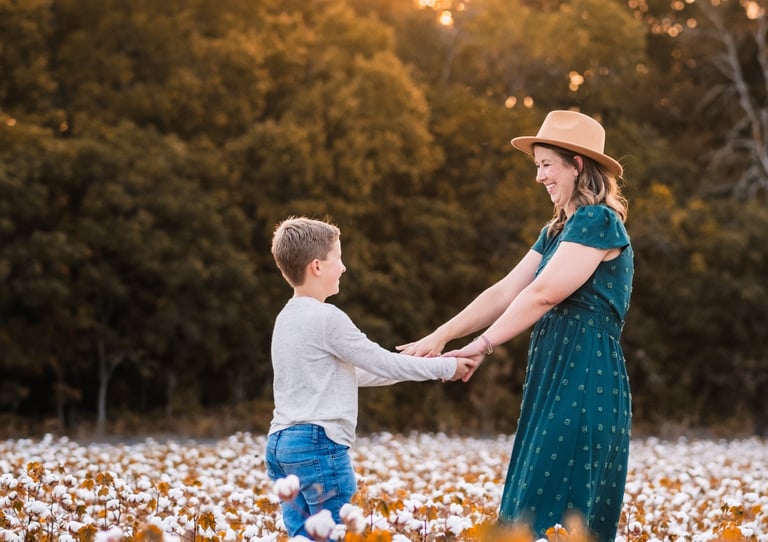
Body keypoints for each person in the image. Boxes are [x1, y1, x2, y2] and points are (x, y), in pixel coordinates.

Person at [399, 110, 633, 542]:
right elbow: (505, 292)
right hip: (555, 374)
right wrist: (443, 335)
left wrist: (483, 345)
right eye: (538, 166)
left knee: (554, 509)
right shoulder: (557, 230)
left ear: (576, 164)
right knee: (531, 501)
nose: (539, 176)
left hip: (585, 377)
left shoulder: (598, 221)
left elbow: (543, 294)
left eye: (546, 165)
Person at [266, 216, 477, 538]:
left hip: (281, 444)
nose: (344, 267)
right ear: (317, 266)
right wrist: (447, 367)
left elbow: (358, 373)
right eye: (338, 258)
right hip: (317, 443)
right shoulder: (327, 318)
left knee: (304, 536)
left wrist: (413, 361)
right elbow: (381, 362)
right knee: (340, 532)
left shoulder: (286, 318)